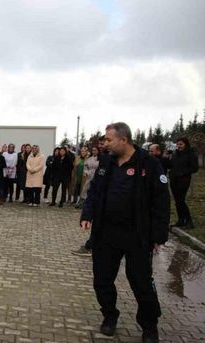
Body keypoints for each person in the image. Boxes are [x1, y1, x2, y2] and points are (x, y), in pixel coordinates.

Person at [80, 122, 169, 343]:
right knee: (102, 279)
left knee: (140, 281)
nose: (105, 144)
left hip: (137, 235)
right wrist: (87, 214)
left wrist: (158, 236)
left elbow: (161, 201)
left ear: (124, 139)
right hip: (106, 233)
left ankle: (149, 326)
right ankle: (110, 316)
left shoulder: (149, 163)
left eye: (109, 140)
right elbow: (95, 191)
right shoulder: (106, 162)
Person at [168, 137, 199, 229]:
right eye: (177, 144)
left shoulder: (191, 154)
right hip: (174, 180)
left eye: (181, 144)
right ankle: (181, 220)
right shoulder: (175, 154)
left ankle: (189, 222)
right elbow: (171, 165)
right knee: (177, 201)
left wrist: (182, 172)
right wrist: (166, 159)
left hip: (184, 180)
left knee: (181, 200)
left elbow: (195, 168)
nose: (178, 146)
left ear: (186, 144)